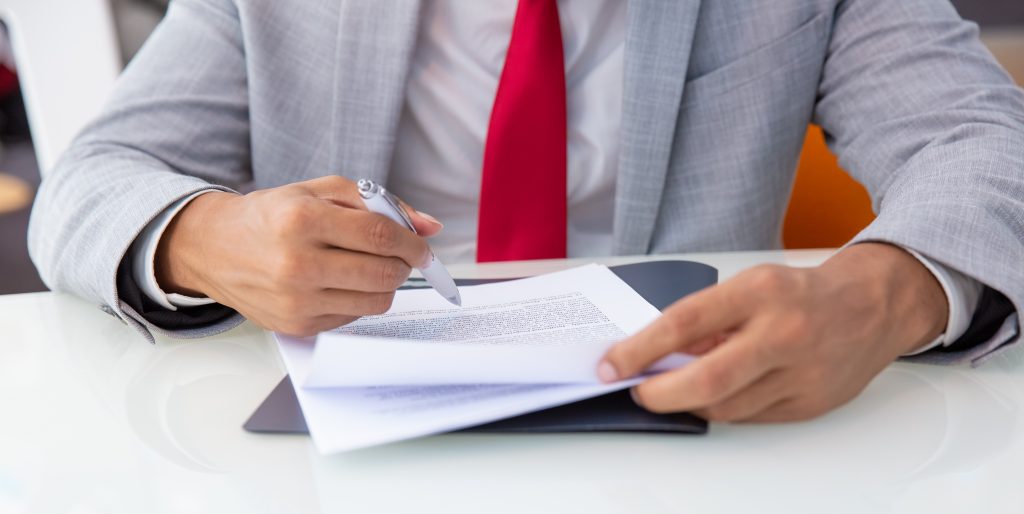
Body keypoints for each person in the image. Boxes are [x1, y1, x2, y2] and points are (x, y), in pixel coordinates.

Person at [28, 0, 1024, 423]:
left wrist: (886, 291)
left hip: (701, 419)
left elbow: (983, 141)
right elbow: (93, 178)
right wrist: (208, 236)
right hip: (352, 432)